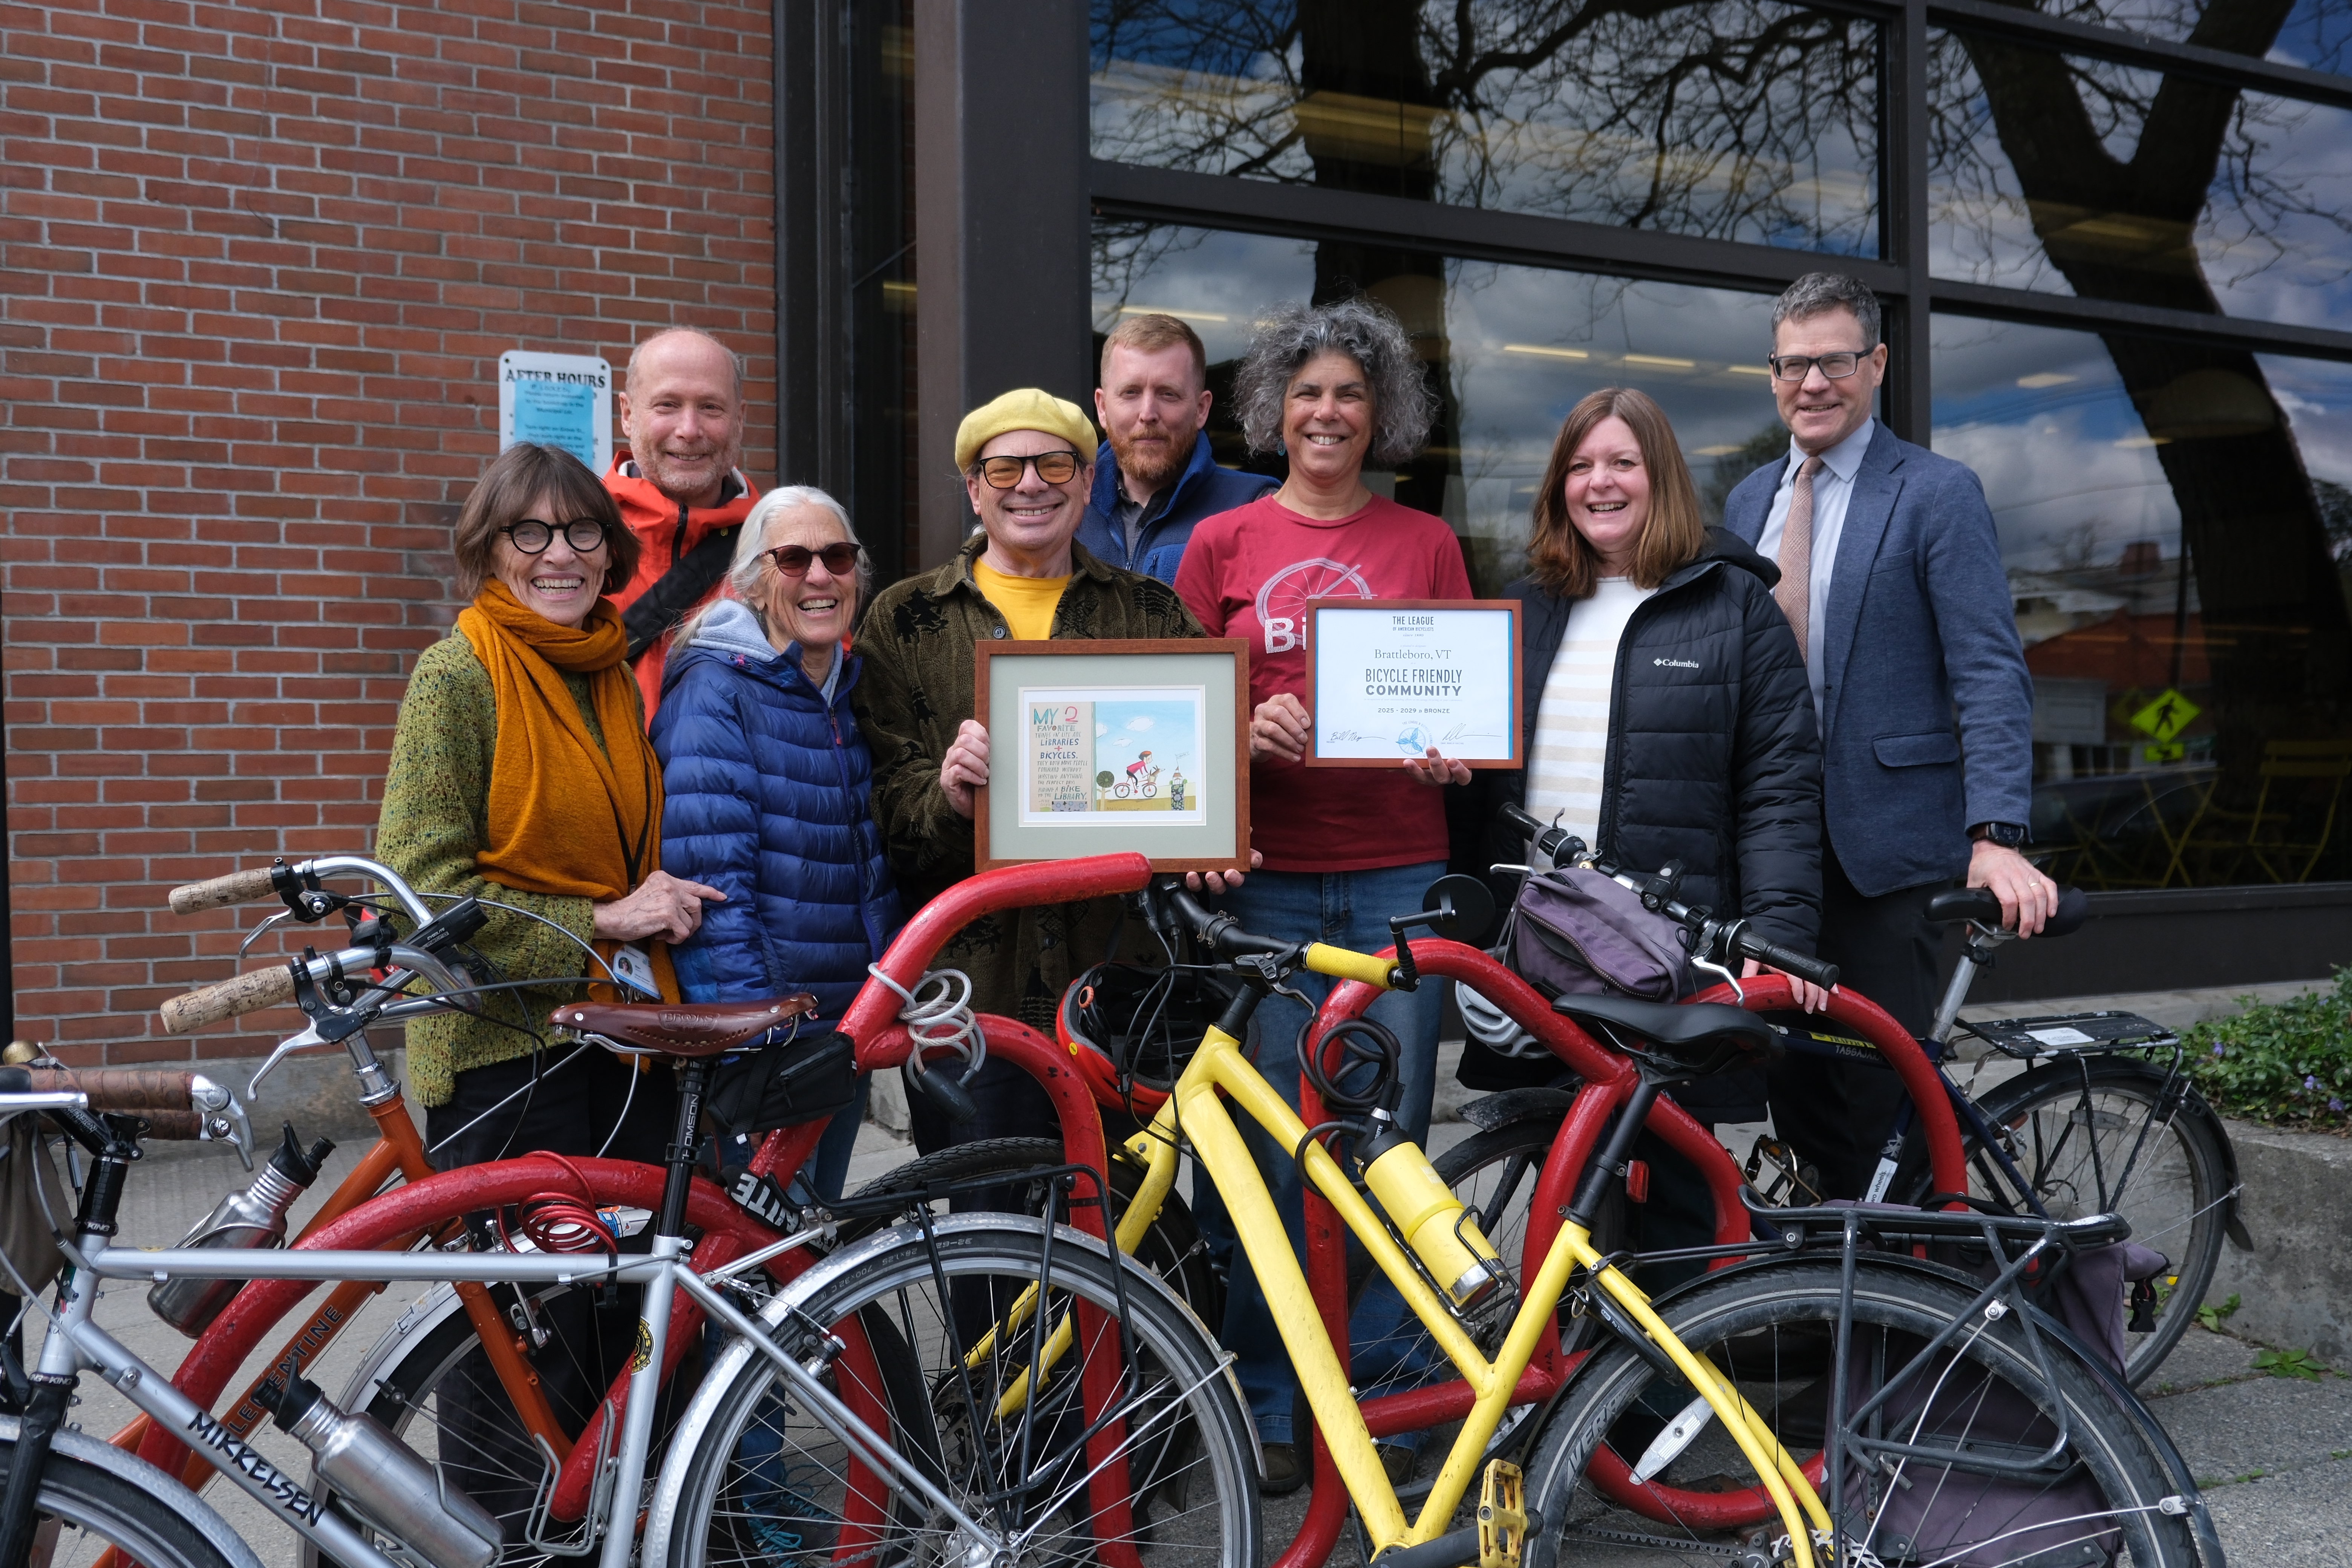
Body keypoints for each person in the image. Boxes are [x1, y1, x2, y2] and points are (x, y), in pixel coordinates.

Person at [375, 440, 725, 1521]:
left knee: (620, 1324)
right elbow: (419, 898)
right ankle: (499, 1545)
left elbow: (606, 845)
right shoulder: (460, 672)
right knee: (514, 1345)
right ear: (491, 547)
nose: (560, 553)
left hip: (612, 1037)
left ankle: (615, 1534)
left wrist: (640, 889)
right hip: (500, 1055)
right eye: (531, 532)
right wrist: (603, 917)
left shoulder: (608, 671)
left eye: (581, 533)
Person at [1171, 297, 1473, 1492]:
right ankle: (1269, 1409)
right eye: (1307, 393)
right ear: (1273, 412)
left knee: (1387, 1147)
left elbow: (1458, 705)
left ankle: (1396, 1405)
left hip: (1398, 871)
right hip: (1270, 890)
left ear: (1380, 411)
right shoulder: (1221, 547)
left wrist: (1452, 744)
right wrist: (1242, 727)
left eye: (1351, 393)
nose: (1328, 412)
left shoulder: (1427, 542)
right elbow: (1178, 727)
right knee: (1269, 1154)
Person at [1455, 386, 1824, 1280]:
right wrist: (1449, 769)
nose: (1600, 483)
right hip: (1541, 943)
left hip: (1668, 951)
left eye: (1621, 462)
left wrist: (1778, 945)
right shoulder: (1523, 608)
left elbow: (1779, 788)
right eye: (1579, 466)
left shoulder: (1734, 606)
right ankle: (1578, 1391)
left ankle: (1669, 1399)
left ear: (1659, 476)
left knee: (1669, 1194)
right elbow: (1487, 786)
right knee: (1563, 1182)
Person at [1721, 272, 2057, 1200]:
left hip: (1889, 853)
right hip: (1768, 854)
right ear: (1773, 374)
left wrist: (1995, 836)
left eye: (1833, 360)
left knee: (1882, 1098)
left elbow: (1987, 668)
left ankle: (1906, 1312)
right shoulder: (1747, 499)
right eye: (1793, 365)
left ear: (1874, 363)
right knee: (1791, 1087)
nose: (1813, 383)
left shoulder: (1936, 492)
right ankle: (1825, 1298)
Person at [853, 387, 1250, 1154]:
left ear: (1088, 479)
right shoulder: (903, 621)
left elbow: (1204, 776)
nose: (1030, 484)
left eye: (1054, 463)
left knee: (1124, 1241)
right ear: (975, 488)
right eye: (1003, 468)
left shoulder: (1154, 614)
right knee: (983, 1241)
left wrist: (1215, 844)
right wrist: (950, 799)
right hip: (971, 998)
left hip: (1124, 990)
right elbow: (880, 811)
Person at [650, 485, 902, 1202]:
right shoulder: (716, 693)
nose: (819, 575)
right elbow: (713, 889)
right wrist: (758, 1038)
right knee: (762, 1267)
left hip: (845, 1029)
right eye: (793, 558)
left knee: (811, 1252)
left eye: (838, 556)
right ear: (755, 583)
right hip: (775, 1047)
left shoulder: (846, 689)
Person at [605, 326, 763, 717]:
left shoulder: (788, 552)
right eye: (667, 405)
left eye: (711, 407)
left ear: (740, 419)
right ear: (627, 414)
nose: (689, 430)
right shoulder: (569, 540)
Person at [1076, 312, 1274, 580]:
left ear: (1201, 409)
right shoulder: (1066, 505)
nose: (1148, 414)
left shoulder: (1254, 507)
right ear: (1102, 408)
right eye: (1131, 393)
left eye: (1168, 394)